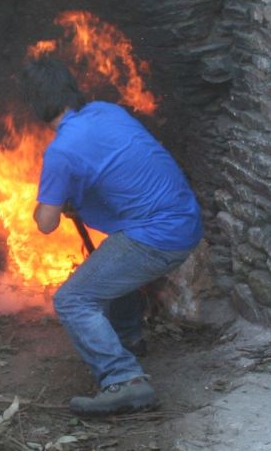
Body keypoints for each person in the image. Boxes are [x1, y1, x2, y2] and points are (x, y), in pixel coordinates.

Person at [20, 56, 203, 416]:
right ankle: (127, 337)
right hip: (185, 220)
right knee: (109, 261)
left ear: (35, 104)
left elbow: (45, 223)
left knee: (73, 300)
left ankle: (124, 379)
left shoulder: (61, 151)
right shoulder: (106, 112)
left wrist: (44, 204)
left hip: (156, 237)